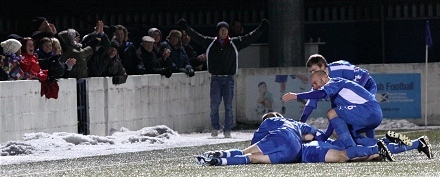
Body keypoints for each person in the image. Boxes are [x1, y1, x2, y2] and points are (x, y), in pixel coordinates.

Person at [177, 18, 270, 138]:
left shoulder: (235, 43)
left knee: (228, 106)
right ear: (218, 31)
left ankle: (227, 130)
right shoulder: (210, 42)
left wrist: (261, 29)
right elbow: (196, 36)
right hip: (215, 79)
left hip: (229, 79)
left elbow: (249, 37)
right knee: (214, 105)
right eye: (221, 30)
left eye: (225, 29)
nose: (224, 32)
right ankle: (215, 128)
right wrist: (185, 28)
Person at [195, 112, 394, 166]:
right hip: (297, 150)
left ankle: (219, 158)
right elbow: (313, 134)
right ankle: (379, 149)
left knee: (249, 154)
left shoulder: (269, 122)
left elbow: (253, 145)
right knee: (345, 155)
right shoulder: (295, 124)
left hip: (292, 146)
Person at [282, 70, 382, 148]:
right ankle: (384, 145)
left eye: (315, 83)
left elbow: (321, 94)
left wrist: (297, 96)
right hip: (370, 114)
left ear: (325, 78)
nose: (315, 87)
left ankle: (352, 148)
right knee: (337, 132)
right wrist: (325, 138)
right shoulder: (335, 98)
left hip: (369, 110)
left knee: (332, 114)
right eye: (313, 85)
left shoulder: (334, 82)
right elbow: (333, 120)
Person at [300, 54, 379, 140]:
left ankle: (372, 142)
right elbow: (310, 104)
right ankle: (360, 144)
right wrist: (300, 124)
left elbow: (364, 74)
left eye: (314, 70)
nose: (312, 73)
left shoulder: (339, 67)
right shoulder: (318, 81)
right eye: (310, 72)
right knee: (337, 120)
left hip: (367, 87)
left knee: (366, 114)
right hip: (350, 96)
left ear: (322, 66)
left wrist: (358, 92)